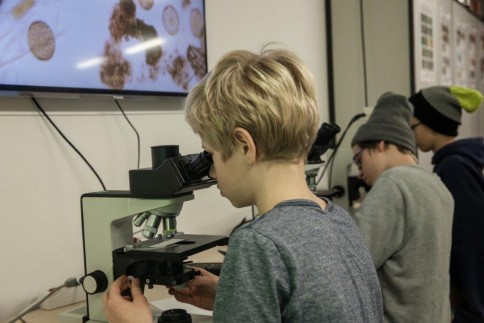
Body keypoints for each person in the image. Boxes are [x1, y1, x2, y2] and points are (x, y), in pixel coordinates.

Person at [103, 47, 383, 322]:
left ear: (245, 146)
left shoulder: (257, 244)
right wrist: (231, 297)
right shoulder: (339, 220)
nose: (211, 172)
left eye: (211, 155)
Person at [350, 92, 454, 322]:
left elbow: (352, 262)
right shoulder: (439, 187)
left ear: (380, 144)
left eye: (359, 160)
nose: (359, 172)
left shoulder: (392, 184)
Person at [409, 85, 484, 322]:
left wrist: (472, 309)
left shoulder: (454, 167)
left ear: (433, 122)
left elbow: (469, 240)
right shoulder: (459, 161)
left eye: (414, 126)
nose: (411, 133)